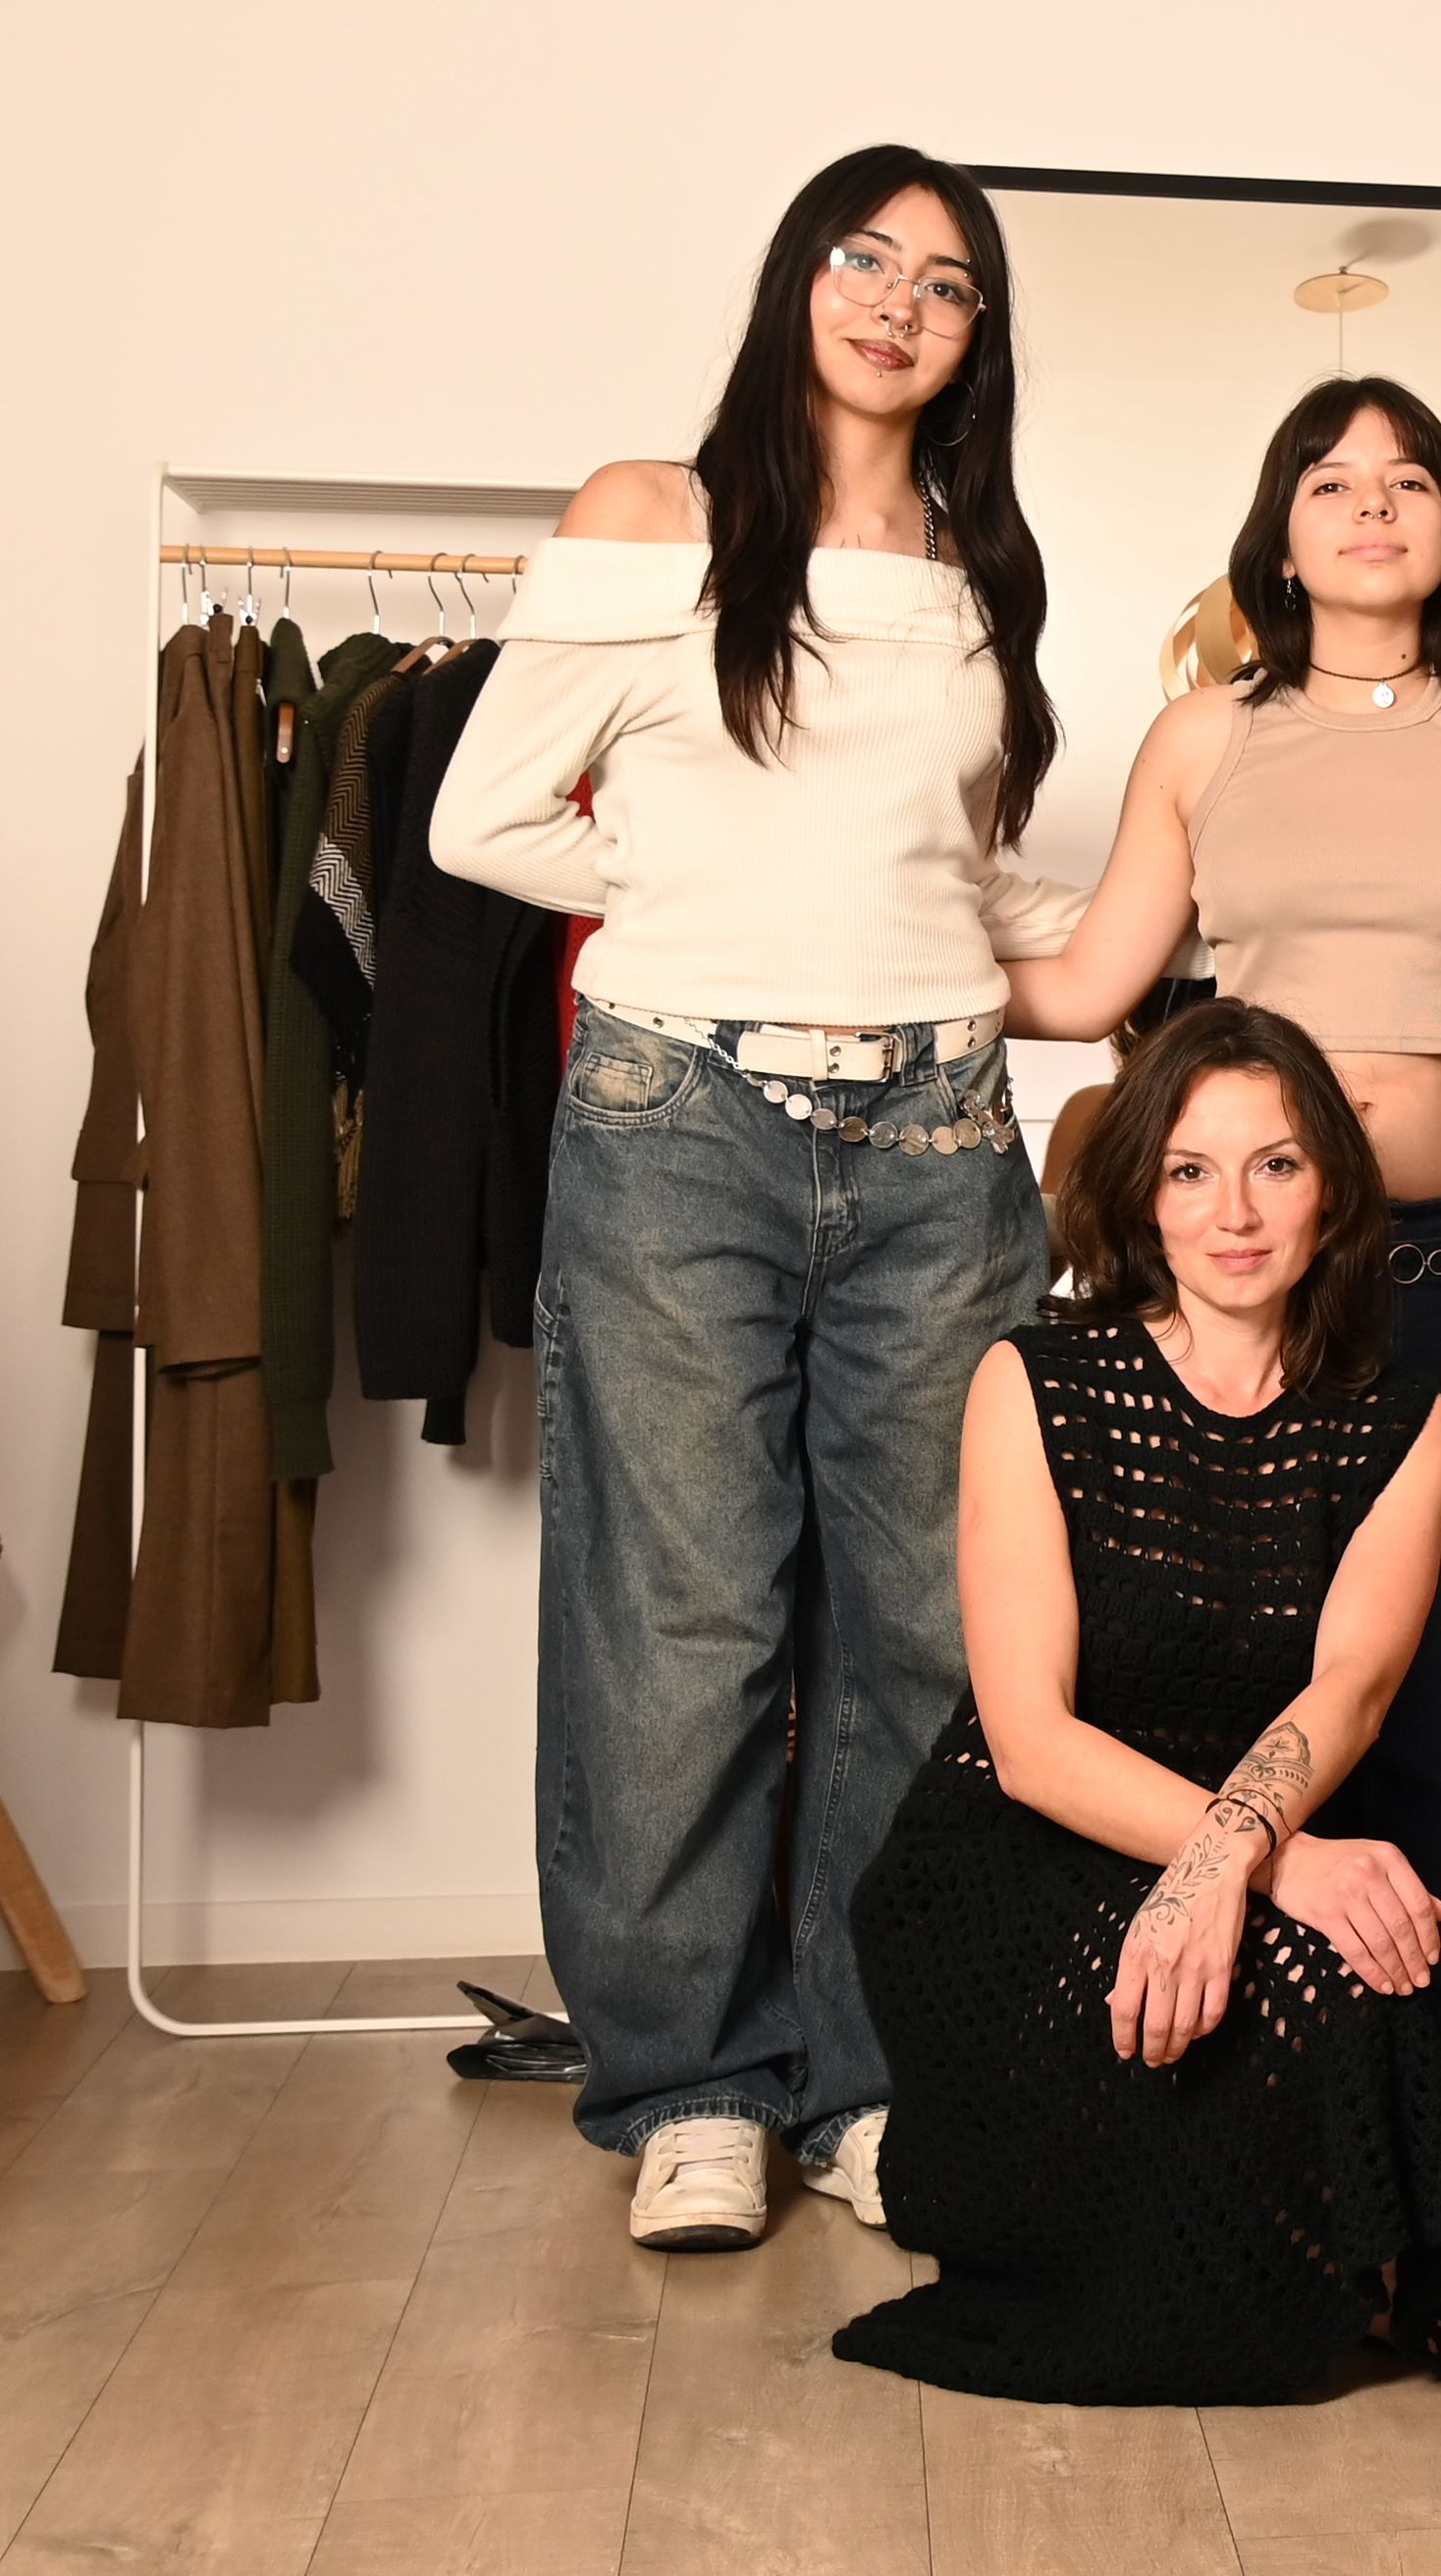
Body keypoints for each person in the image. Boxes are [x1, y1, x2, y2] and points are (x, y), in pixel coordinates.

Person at [428, 144, 1094, 2248]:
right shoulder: (654, 513)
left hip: (943, 1131)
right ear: (799, 278)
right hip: (679, 1114)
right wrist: (701, 896)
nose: (898, 302)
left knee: (927, 1624)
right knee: (683, 1620)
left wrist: (1187, 900)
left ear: (979, 338)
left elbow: (960, 878)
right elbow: (480, 817)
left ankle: (873, 2081)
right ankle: (692, 2083)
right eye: (863, 258)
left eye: (947, 284)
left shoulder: (983, 571)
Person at [1002, 374, 1441, 2117]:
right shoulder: (1206, 736)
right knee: (1275, 1675)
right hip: (1267, 1285)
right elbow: (1095, 981)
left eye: (1407, 481)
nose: (1372, 508)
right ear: (1278, 535)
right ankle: (1302, 2069)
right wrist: (860, 940)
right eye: (1333, 483)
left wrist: (1438, 1074)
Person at [831, 999, 1441, 2402]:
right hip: (1018, 1857)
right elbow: (1031, 1741)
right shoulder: (1033, 1379)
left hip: (1246, 1830)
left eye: (1275, 1166)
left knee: (1356, 1979)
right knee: (1278, 2012)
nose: (1234, 1213)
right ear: (1142, 1196)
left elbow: (1351, 1688)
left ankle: (1335, 2255)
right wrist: (1269, 1859)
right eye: (1190, 1170)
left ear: (1332, 1191)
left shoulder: (1407, 1419)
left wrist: (1233, 1863)